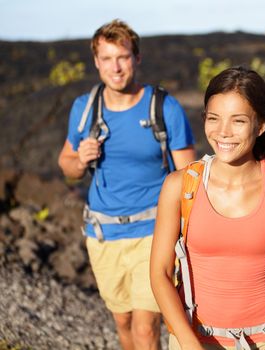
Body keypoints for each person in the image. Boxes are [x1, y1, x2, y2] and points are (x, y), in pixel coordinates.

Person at [150, 66, 265, 350]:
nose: (223, 132)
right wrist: (189, 343)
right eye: (213, 119)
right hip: (193, 339)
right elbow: (159, 273)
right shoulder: (178, 186)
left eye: (238, 121)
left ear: (261, 125)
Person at [58, 19, 196, 350]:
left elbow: (188, 177)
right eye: (107, 59)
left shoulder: (164, 107)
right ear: (96, 62)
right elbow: (67, 166)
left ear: (136, 58)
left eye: (122, 57)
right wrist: (80, 159)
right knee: (123, 321)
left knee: (146, 326)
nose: (116, 67)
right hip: (103, 235)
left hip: (154, 232)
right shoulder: (85, 109)